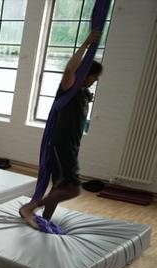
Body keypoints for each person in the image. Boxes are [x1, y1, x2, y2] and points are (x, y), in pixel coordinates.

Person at [20, 31, 103, 228]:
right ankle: (30, 208)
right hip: (62, 144)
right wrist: (85, 44)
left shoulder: (83, 93)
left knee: (60, 186)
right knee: (73, 190)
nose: (95, 80)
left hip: (70, 145)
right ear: (85, 73)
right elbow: (68, 71)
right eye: (94, 76)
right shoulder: (69, 88)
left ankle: (45, 219)